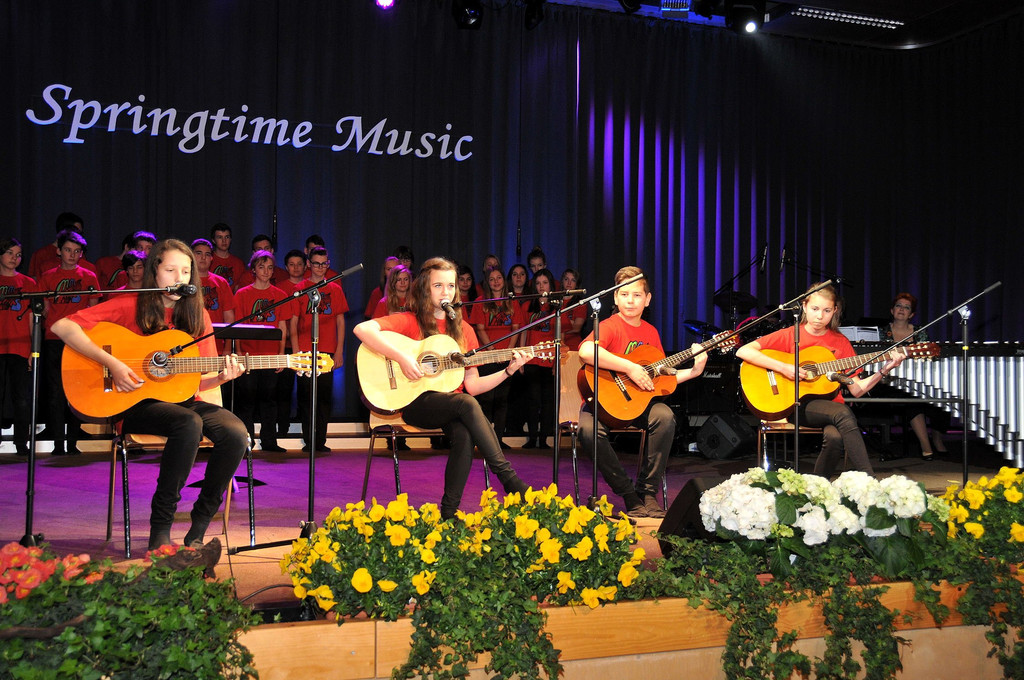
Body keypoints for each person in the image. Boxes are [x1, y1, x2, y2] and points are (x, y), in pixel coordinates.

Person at [52, 239, 248, 550]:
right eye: (171, 270)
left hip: (183, 401)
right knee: (188, 424)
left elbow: (197, 383)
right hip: (134, 403)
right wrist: (113, 364)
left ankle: (199, 525)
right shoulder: (131, 303)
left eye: (186, 271)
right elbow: (63, 327)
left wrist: (222, 377)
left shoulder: (198, 315)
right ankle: (161, 527)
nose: (179, 278)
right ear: (154, 271)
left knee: (236, 434)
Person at [354, 257, 533, 519]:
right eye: (438, 286)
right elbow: (362, 329)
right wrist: (402, 358)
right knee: (465, 403)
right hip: (415, 403)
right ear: (425, 289)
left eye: (450, 286)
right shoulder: (410, 321)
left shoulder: (464, 331)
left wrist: (508, 371)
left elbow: (473, 385)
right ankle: (509, 478)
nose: (445, 292)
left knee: (465, 434)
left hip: (452, 405)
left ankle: (448, 514)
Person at [736, 282, 906, 477]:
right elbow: (744, 351)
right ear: (804, 306)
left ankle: (819, 484)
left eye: (826, 310)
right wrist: (784, 368)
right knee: (843, 413)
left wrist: (884, 370)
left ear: (835, 311)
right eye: (815, 309)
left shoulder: (840, 342)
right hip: (795, 405)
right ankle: (869, 479)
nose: (819, 316)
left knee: (835, 437)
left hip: (831, 408)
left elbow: (857, 389)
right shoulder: (791, 334)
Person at [578, 266, 708, 519]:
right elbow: (585, 352)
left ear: (647, 300)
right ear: (615, 298)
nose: (630, 300)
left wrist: (694, 372)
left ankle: (647, 492)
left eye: (637, 295)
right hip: (602, 403)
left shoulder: (650, 332)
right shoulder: (609, 326)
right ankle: (628, 494)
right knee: (588, 431)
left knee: (665, 416)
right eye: (624, 294)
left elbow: (661, 379)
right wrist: (630, 367)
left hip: (637, 404)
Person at [40, 230, 100, 455]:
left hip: (79, 341)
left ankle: (72, 443)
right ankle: (58, 444)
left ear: (82, 253)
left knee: (77, 391)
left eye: (77, 251)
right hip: (54, 339)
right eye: (68, 250)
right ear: (59, 251)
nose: (72, 255)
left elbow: (93, 310)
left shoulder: (89, 276)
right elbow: (45, 310)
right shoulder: (47, 277)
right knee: (55, 392)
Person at [290, 246, 348, 453]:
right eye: (316, 263)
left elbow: (340, 322)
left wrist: (339, 351)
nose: (320, 267)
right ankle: (309, 440)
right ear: (309, 264)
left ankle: (320, 440)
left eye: (324, 264)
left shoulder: (335, 288)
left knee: (323, 397)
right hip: (305, 352)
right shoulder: (301, 289)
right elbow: (293, 323)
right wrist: (296, 353)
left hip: (327, 351)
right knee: (306, 397)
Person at [233, 250, 290, 452]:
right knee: (246, 400)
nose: (266, 271)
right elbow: (238, 326)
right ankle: (246, 442)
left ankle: (269, 441)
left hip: (270, 355)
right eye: (261, 267)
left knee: (269, 400)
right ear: (254, 270)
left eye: (270, 267)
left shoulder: (280, 295)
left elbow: (282, 327)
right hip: (248, 356)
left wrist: (281, 354)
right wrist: (239, 351)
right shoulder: (242, 294)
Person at [879, 292, 947, 460]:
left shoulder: (919, 332)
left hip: (917, 378)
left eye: (906, 307)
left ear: (911, 314)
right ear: (892, 310)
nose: (902, 309)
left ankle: (937, 438)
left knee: (943, 394)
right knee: (911, 399)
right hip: (888, 381)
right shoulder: (881, 332)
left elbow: (929, 356)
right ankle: (926, 446)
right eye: (898, 306)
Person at [469, 267, 526, 449]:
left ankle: (498, 439)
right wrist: (493, 350)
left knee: (502, 399)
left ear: (504, 280)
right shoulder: (481, 301)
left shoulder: (511, 301)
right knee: (486, 399)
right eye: (492, 279)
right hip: (487, 356)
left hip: (506, 356)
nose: (496, 281)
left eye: (499, 278)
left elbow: (516, 328)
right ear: (487, 282)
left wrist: (508, 351)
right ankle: (485, 441)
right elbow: (480, 329)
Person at [0, 237, 35, 455]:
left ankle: (21, 443)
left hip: (20, 346)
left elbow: (32, 318)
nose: (14, 258)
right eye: (10, 253)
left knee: (21, 398)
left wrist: (33, 349)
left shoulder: (28, 283)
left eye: (18, 254)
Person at [522, 269, 558, 449]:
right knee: (532, 401)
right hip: (531, 359)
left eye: (545, 283)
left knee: (547, 402)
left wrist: (558, 362)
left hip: (549, 360)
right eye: (538, 283)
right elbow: (523, 332)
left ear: (551, 285)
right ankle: (532, 438)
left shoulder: (557, 307)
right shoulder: (527, 306)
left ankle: (543, 439)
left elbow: (560, 337)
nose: (541, 286)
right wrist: (521, 358)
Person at [209, 223, 246, 291]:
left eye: (227, 237)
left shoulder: (238, 263)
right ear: (213, 240)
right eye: (220, 237)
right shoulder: (207, 260)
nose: (224, 241)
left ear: (230, 239)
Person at [559, 268, 586, 351]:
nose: (569, 283)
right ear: (562, 281)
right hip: (555, 345)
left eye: (573, 280)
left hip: (572, 346)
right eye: (566, 279)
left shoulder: (581, 303)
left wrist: (559, 328)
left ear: (577, 284)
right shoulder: (555, 301)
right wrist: (569, 322)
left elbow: (577, 328)